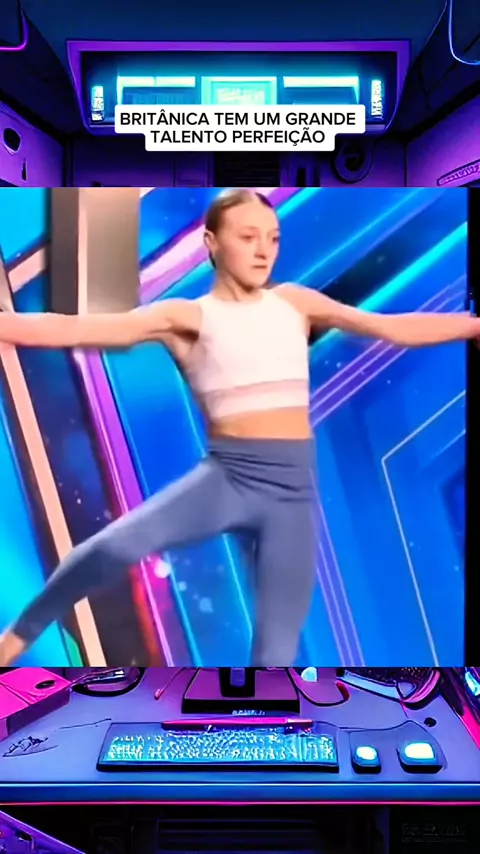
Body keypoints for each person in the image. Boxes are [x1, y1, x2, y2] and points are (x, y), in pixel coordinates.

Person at [0, 188, 477, 667]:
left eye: (273, 238)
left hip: (291, 497)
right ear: (211, 243)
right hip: (226, 481)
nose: (264, 250)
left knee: (277, 653)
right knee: (104, 551)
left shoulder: (294, 303)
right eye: (248, 237)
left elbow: (393, 327)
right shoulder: (185, 316)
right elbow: (74, 329)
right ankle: (14, 640)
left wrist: (472, 327)